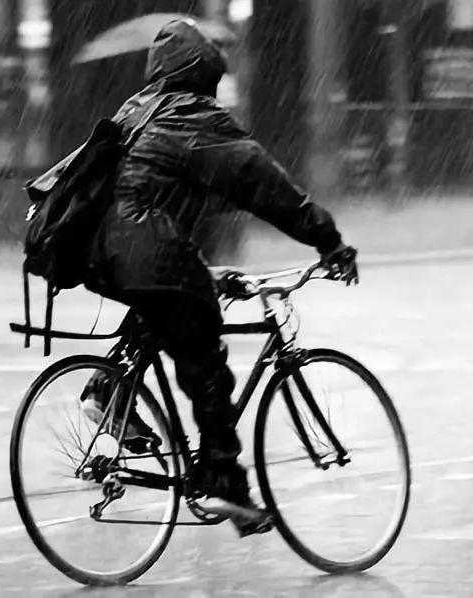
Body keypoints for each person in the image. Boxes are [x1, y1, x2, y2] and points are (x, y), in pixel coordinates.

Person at [79, 18, 358, 537]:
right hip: (148, 245)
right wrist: (327, 239)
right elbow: (263, 184)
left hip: (100, 248)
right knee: (205, 352)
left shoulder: (138, 111)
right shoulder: (195, 118)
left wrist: (204, 272)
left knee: (162, 303)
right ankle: (221, 480)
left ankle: (109, 391)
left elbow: (144, 194)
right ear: (202, 74)